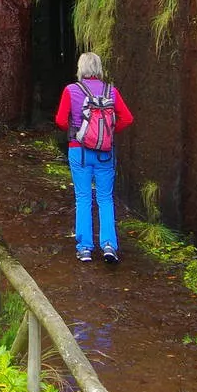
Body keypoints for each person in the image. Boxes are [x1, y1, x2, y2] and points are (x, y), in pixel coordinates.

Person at [53, 51, 133, 265]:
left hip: (79, 150)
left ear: (81, 69)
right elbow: (127, 118)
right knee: (105, 199)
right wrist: (108, 132)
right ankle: (109, 245)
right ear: (98, 69)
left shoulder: (71, 90)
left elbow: (60, 121)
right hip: (105, 153)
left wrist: (78, 130)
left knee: (83, 198)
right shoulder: (111, 91)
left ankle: (85, 248)